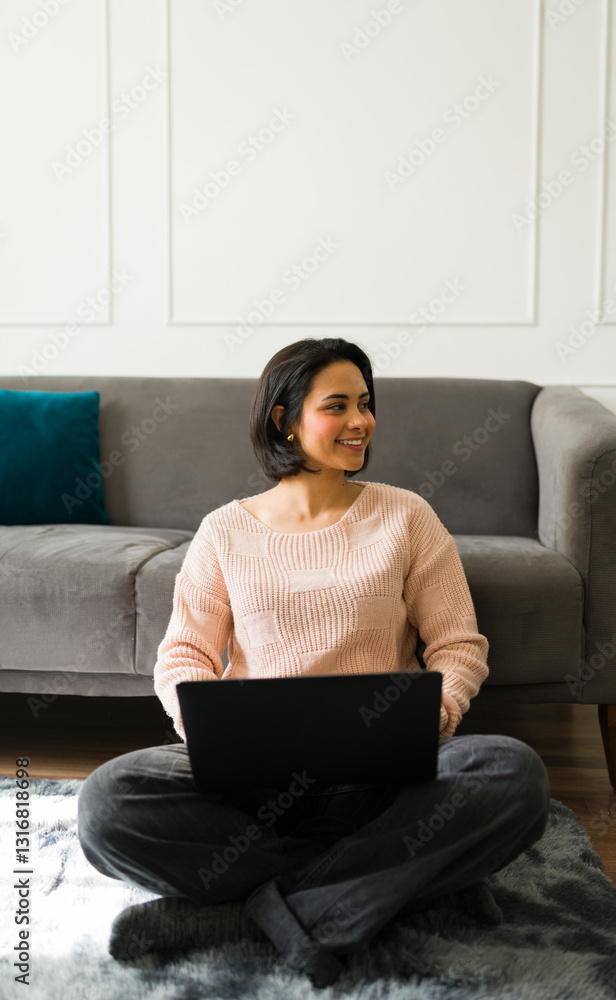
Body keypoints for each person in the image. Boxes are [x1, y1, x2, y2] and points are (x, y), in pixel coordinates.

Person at [77, 337, 550, 988]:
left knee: (511, 774)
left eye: (365, 404)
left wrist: (437, 713)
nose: (360, 421)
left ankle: (243, 916)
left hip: (382, 784)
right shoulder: (224, 531)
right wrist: (206, 727)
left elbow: (456, 644)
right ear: (284, 418)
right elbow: (183, 652)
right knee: (107, 804)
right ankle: (393, 888)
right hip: (253, 787)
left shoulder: (406, 517)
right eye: (337, 406)